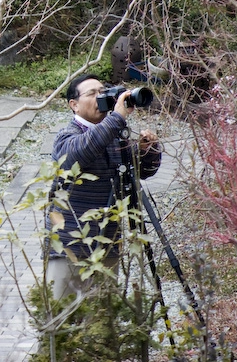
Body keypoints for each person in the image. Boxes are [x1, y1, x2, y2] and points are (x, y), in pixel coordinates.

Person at [46, 73, 162, 299]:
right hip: (70, 247)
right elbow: (81, 152)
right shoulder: (67, 136)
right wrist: (116, 118)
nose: (100, 96)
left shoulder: (113, 136)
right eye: (92, 93)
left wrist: (148, 150)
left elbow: (142, 172)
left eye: (103, 91)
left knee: (102, 317)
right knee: (64, 316)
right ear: (74, 105)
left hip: (108, 244)